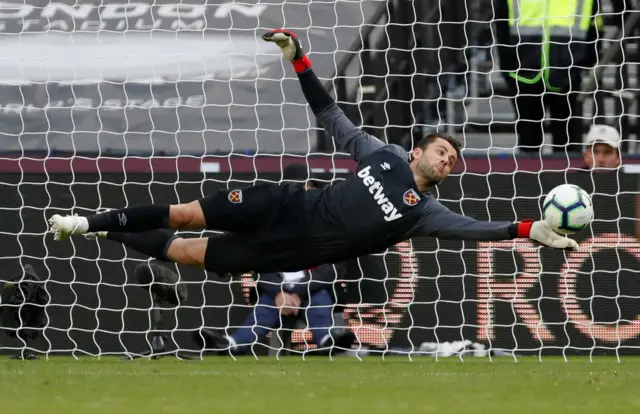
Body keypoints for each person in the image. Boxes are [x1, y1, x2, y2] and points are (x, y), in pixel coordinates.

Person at [47, 29, 577, 279]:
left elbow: (477, 229)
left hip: (289, 253)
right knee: (185, 215)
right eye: (442, 151)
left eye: (453, 162)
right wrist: (298, 58)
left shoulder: (423, 213)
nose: (447, 161)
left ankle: (103, 230)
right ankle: (86, 221)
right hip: (282, 206)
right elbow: (332, 117)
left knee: (184, 252)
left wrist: (529, 229)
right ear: (417, 150)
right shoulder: (383, 156)